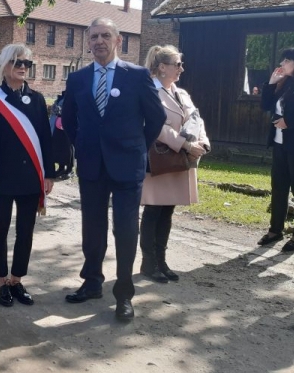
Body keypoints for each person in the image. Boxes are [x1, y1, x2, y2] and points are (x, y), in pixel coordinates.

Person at [62, 17, 165, 321]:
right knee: (92, 228)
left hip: (127, 166)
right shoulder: (78, 79)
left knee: (125, 229)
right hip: (92, 165)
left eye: (105, 35)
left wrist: (136, 148)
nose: (99, 41)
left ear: (119, 41)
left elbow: (155, 119)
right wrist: (82, 147)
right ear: (88, 42)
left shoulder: (137, 76)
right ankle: (92, 282)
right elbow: (69, 120)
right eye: (93, 36)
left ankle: (124, 294)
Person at [0, 44, 55, 307]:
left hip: (31, 178)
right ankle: (2, 282)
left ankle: (16, 279)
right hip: (1, 178)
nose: (22, 67)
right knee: (0, 228)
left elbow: (45, 139)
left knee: (26, 230)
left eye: (26, 64)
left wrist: (49, 174)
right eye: (16, 62)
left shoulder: (37, 99)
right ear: (4, 65)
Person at [140, 45, 209, 282]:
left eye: (181, 64)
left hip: (179, 160)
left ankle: (161, 260)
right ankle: (148, 264)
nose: (181, 68)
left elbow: (196, 120)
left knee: (167, 211)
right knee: (153, 210)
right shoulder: (149, 91)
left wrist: (203, 143)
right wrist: (187, 145)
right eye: (177, 64)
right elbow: (156, 127)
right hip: (160, 159)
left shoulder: (182, 93)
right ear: (162, 67)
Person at [259, 48, 294, 252]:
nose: (283, 62)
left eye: (287, 60)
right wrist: (272, 83)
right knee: (279, 186)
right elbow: (266, 106)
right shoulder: (286, 85)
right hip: (280, 144)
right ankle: (275, 230)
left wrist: (288, 122)